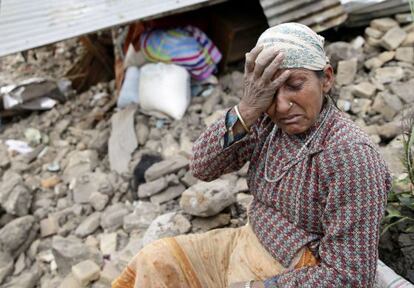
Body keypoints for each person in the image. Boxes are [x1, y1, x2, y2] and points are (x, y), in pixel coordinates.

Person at [112, 22, 391, 288]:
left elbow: (350, 278)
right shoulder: (265, 122)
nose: (282, 106)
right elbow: (201, 166)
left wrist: (254, 286)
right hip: (243, 243)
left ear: (326, 79)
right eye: (270, 91)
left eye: (295, 85)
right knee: (156, 260)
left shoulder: (350, 156)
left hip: (292, 273)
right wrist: (247, 109)